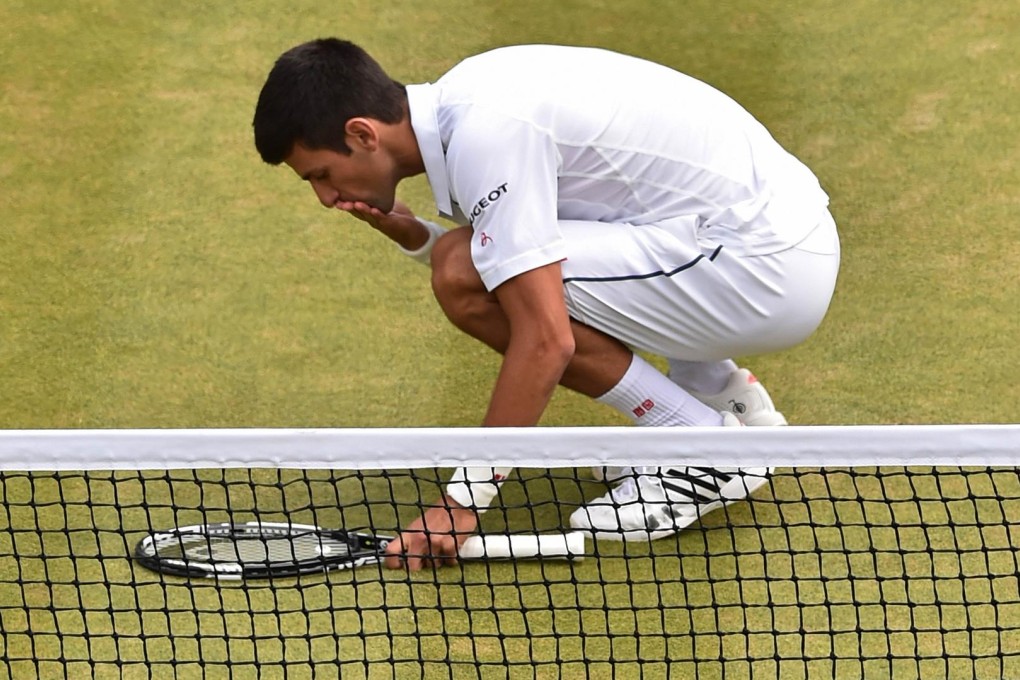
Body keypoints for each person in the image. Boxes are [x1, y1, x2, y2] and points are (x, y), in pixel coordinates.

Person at [253, 39, 840, 570]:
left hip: (765, 268)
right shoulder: (471, 99)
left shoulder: (488, 135)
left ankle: (699, 446)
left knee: (468, 275)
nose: (327, 197)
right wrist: (414, 235)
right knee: (471, 262)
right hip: (759, 236)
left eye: (323, 175)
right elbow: (509, 252)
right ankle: (726, 399)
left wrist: (462, 502)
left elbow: (544, 336)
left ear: (362, 134)